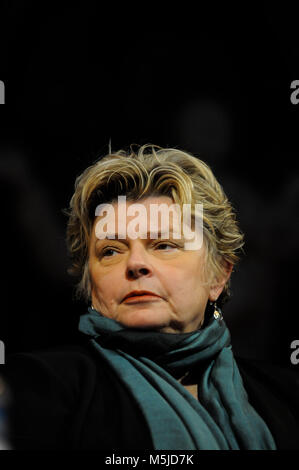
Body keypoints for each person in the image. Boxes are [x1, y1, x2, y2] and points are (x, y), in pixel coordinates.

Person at [2, 144, 299, 450]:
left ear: (218, 275)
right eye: (111, 251)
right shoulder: (32, 387)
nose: (135, 264)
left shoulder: (288, 394)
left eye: (164, 245)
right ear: (90, 283)